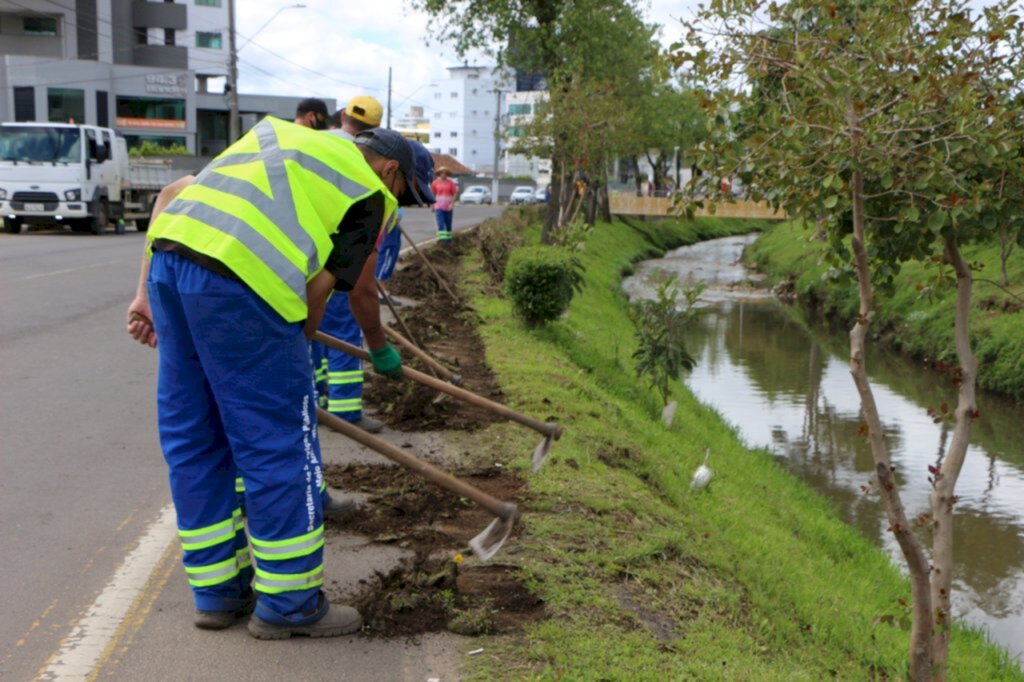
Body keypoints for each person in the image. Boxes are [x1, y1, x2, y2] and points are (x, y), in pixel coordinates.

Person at [125, 117, 433, 639]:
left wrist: (143, 297)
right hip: (240, 284)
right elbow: (321, 294)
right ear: (391, 170)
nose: (398, 207)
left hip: (170, 267)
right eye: (406, 196)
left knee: (195, 437)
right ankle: (290, 604)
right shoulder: (369, 193)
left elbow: (175, 193)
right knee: (278, 442)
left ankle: (218, 593)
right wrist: (295, 349)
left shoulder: (282, 137)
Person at [318, 95, 388, 432]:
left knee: (312, 331)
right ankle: (345, 410)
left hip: (304, 257)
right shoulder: (362, 161)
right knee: (344, 331)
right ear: (375, 130)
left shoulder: (319, 142)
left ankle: (316, 399)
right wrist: (379, 344)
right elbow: (362, 288)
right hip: (338, 259)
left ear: (344, 115)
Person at [430, 166, 458, 244]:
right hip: (438, 206)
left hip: (448, 206)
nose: (443, 175)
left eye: (445, 173)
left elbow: (455, 193)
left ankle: (448, 241)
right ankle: (442, 240)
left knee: (448, 224)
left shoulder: (450, 183)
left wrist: (452, 204)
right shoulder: (435, 183)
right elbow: (432, 194)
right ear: (439, 174)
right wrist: (433, 205)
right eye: (442, 173)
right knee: (441, 223)